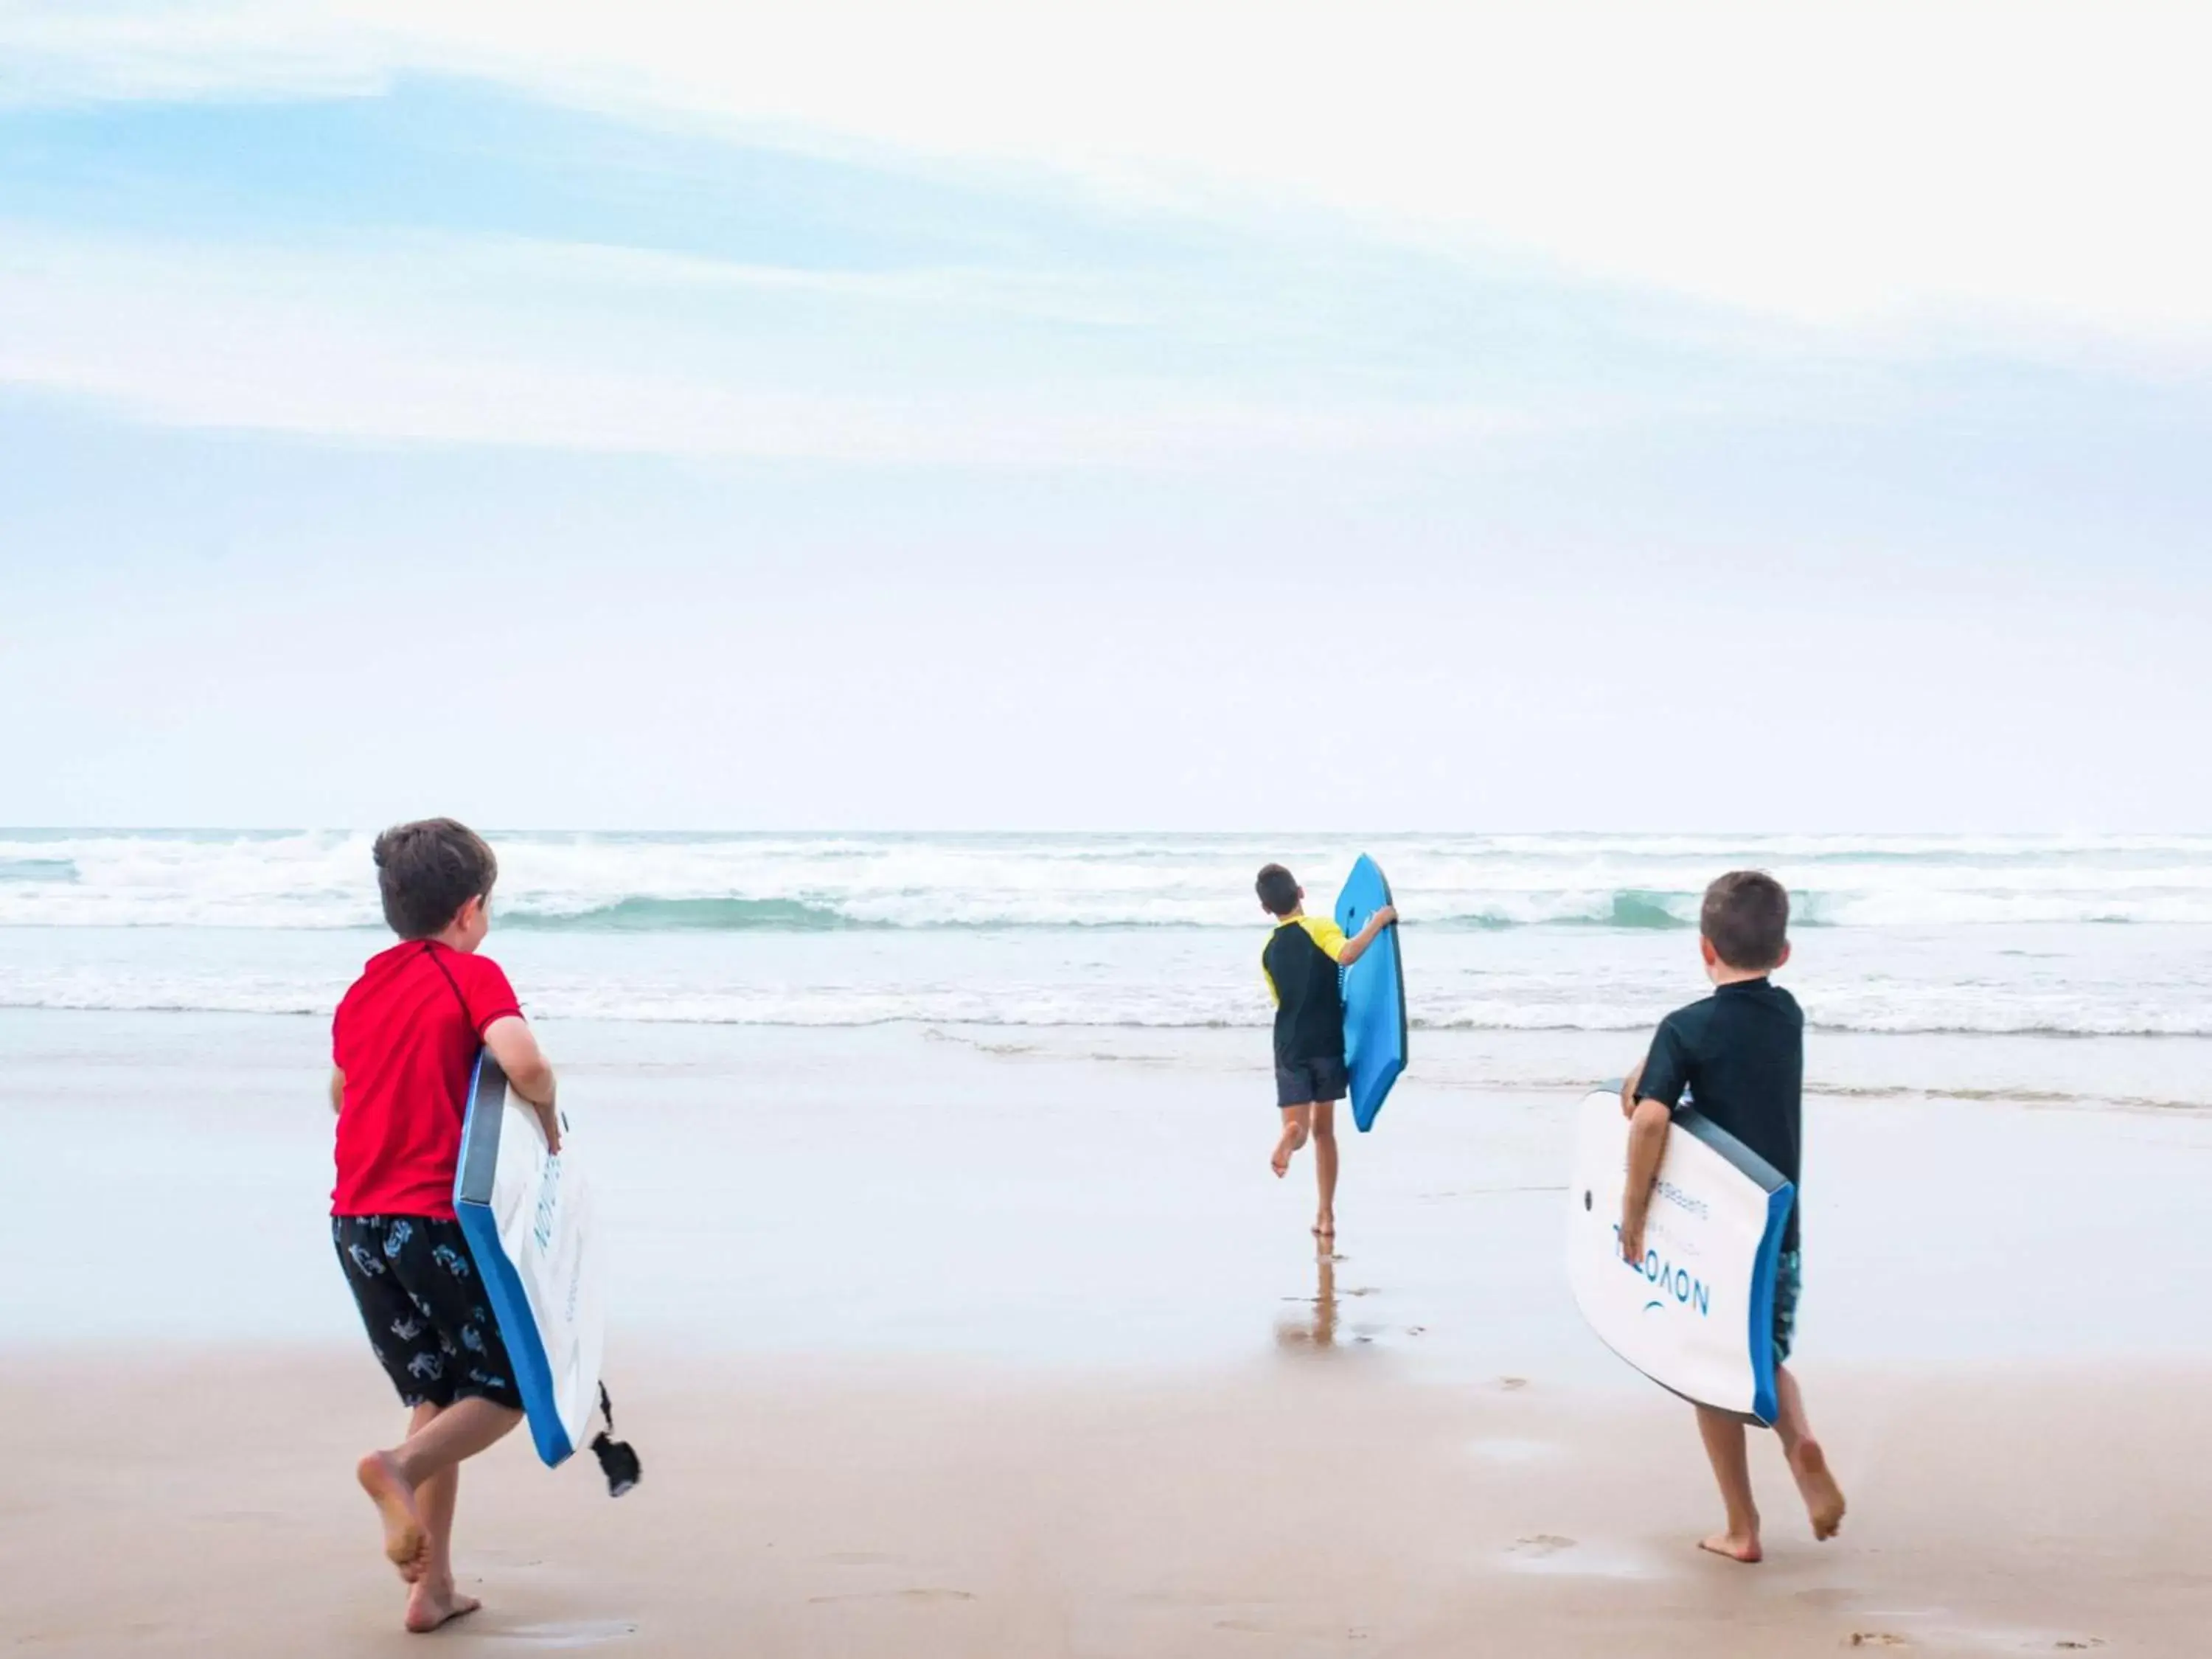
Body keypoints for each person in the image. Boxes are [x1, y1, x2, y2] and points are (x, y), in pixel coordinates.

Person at [328, 818, 561, 1632]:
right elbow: (524, 1060)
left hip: (357, 1224)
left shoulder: (361, 991)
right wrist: (550, 1113)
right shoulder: (471, 975)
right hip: (432, 1223)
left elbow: (340, 1092)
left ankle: (432, 1587)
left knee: (435, 1390)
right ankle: (393, 1467)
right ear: (471, 910)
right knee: (500, 1392)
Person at [1617, 870, 1846, 1563]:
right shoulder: (1789, 1015)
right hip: (1778, 1234)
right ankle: (1798, 1436)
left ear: (1703, 949)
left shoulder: (1685, 1029)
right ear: (1784, 955)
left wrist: (1633, 1211)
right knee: (1764, 1356)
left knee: (1709, 1375)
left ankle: (1742, 1527)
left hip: (1710, 1239)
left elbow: (1647, 1113)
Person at [1255, 863, 1396, 1237]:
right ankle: (1326, 1215)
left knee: (1300, 1129)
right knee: (1325, 1132)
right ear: (1300, 892)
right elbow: (1347, 954)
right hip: (1326, 1042)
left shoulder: (1268, 951)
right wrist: (1378, 922)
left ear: (1266, 910)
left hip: (1288, 1044)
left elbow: (1281, 1000)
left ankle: (1289, 1138)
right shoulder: (1319, 927)